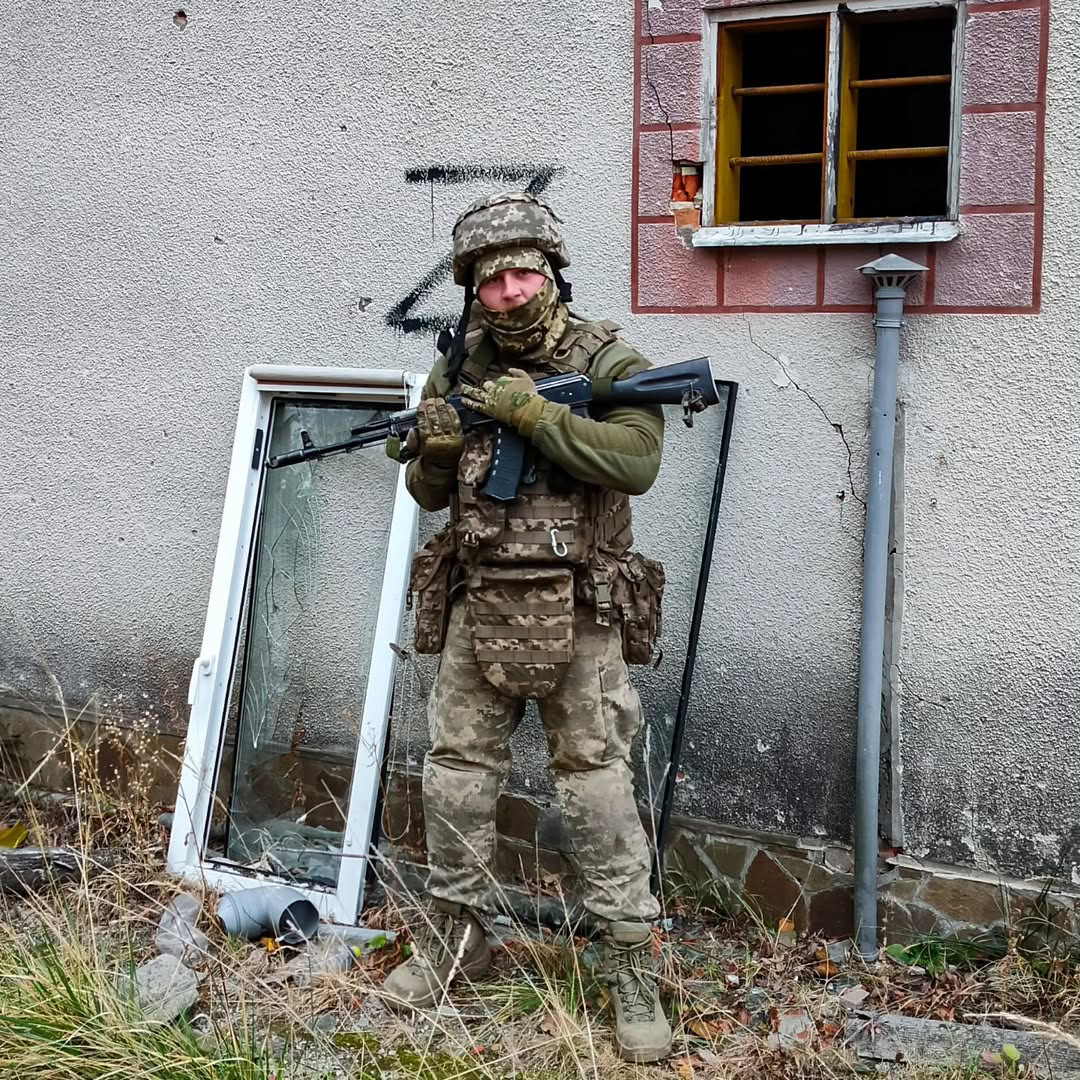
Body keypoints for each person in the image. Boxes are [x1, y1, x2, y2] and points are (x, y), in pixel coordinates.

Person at [383, 191, 671, 1063]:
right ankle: (455, 941)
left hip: (581, 604)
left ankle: (630, 967)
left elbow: (640, 460)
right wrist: (435, 450)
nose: (508, 292)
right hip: (481, 601)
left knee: (593, 780)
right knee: (459, 774)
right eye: (489, 280)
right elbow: (428, 495)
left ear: (550, 273)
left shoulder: (607, 357)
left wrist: (534, 415)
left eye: (522, 273)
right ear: (472, 290)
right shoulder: (455, 369)